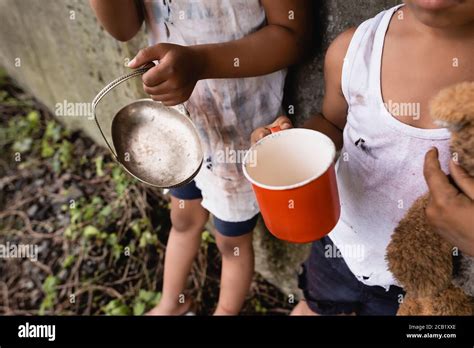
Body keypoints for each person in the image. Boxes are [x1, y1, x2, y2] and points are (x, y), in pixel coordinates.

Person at [252, 0, 474, 315]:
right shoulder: (354, 50)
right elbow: (331, 121)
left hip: (424, 285)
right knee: (317, 303)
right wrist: (289, 146)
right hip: (339, 245)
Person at [89, 0, 311, 315]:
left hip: (239, 132)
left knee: (230, 240)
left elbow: (294, 35)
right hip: (179, 126)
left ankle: (225, 311)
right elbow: (124, 28)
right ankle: (171, 304)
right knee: (182, 218)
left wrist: (200, 62)